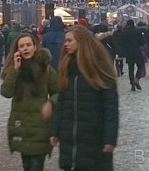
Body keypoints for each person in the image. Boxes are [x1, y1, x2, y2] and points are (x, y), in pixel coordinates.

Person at [50, 26, 118, 171]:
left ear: (81, 42)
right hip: (70, 141)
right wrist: (55, 130)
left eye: (69, 40)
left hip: (94, 139)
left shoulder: (100, 70)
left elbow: (111, 108)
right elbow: (61, 102)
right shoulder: (66, 69)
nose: (65, 44)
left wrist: (110, 138)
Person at [1, 33, 59, 171]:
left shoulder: (46, 70)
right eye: (21, 46)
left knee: (36, 166)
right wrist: (15, 70)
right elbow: (6, 92)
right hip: (21, 126)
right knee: (27, 166)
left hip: (40, 127)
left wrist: (51, 103)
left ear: (35, 47)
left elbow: (58, 92)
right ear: (17, 50)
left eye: (28, 45)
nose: (25, 49)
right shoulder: (14, 70)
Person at [121, 20, 145, 91]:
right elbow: (142, 42)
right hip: (137, 51)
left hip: (129, 52)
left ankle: (132, 84)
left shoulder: (124, 33)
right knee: (140, 66)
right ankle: (136, 79)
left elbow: (122, 43)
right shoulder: (138, 32)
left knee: (130, 68)